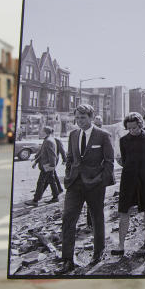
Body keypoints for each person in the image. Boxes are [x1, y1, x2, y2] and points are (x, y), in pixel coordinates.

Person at [60, 104, 115, 271]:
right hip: (75, 184)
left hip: (95, 184)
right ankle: (67, 259)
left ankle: (98, 253)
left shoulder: (103, 135)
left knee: (97, 219)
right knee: (68, 218)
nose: (79, 121)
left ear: (91, 117)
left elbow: (109, 161)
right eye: (77, 118)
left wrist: (101, 180)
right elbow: (70, 158)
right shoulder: (73, 135)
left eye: (83, 118)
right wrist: (69, 174)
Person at [116, 112, 145, 254]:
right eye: (129, 128)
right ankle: (121, 245)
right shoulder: (123, 140)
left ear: (141, 125)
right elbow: (124, 160)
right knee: (124, 209)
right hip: (129, 178)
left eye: (135, 128)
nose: (132, 131)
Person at [25, 127, 59, 206]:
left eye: (41, 131)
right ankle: (55, 197)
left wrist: (52, 166)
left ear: (45, 132)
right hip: (47, 165)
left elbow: (52, 155)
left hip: (47, 166)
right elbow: (42, 153)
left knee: (41, 182)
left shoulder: (49, 141)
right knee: (51, 181)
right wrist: (36, 161)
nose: (40, 132)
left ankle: (35, 200)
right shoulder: (48, 139)